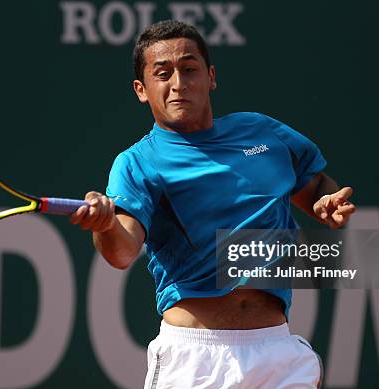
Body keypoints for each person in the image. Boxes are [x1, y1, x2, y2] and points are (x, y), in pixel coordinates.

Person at [70, 20, 356, 389]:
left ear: (211, 77)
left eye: (189, 69)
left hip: (278, 353)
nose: (178, 83)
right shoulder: (137, 162)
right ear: (142, 90)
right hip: (195, 360)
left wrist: (324, 202)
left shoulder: (261, 132)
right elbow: (121, 252)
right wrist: (105, 225)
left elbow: (314, 183)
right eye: (163, 74)